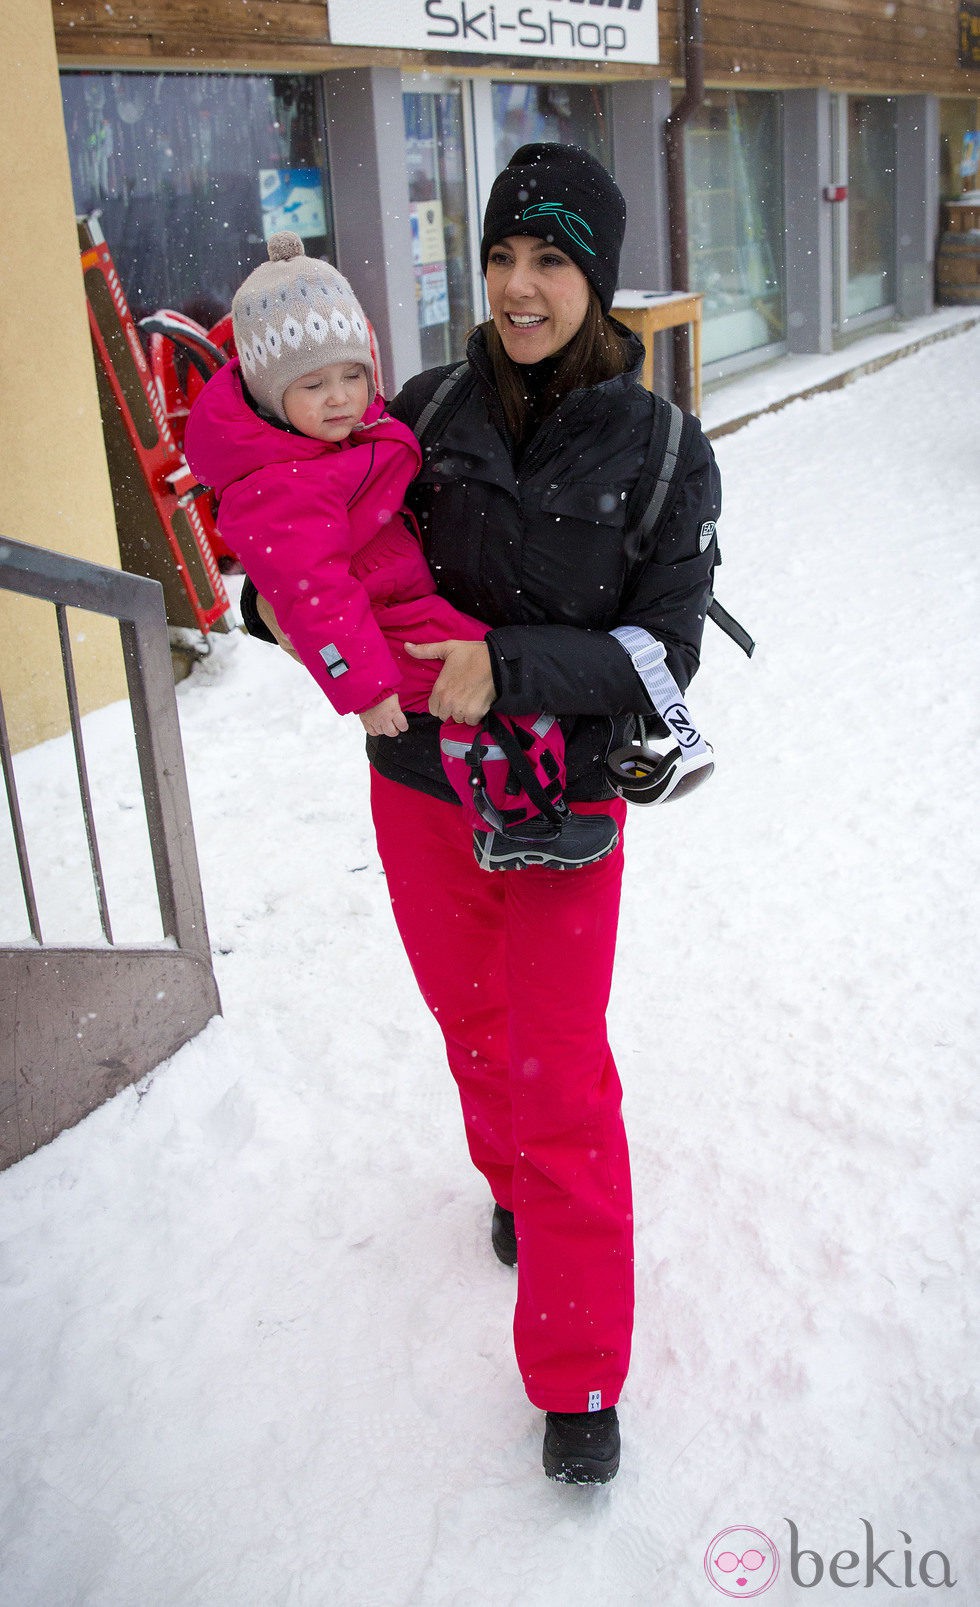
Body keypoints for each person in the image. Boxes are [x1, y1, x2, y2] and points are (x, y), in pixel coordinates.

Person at [240, 144, 722, 1484]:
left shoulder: (664, 446)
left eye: (550, 260)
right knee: (475, 1028)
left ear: (595, 276)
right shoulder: (419, 408)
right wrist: (261, 606)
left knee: (561, 1072)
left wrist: (507, 666)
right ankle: (506, 1178)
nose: (519, 285)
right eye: (504, 254)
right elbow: (308, 526)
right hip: (417, 794)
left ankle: (577, 1369)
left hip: (561, 801)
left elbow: (664, 654)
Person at [184, 233, 619, 873]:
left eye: (352, 375)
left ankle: (526, 808)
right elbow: (315, 595)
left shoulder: (335, 442)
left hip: (399, 603)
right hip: (382, 626)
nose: (339, 397)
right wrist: (364, 687)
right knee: (492, 697)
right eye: (313, 384)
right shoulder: (278, 484)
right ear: (272, 396)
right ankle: (518, 823)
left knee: (505, 676)